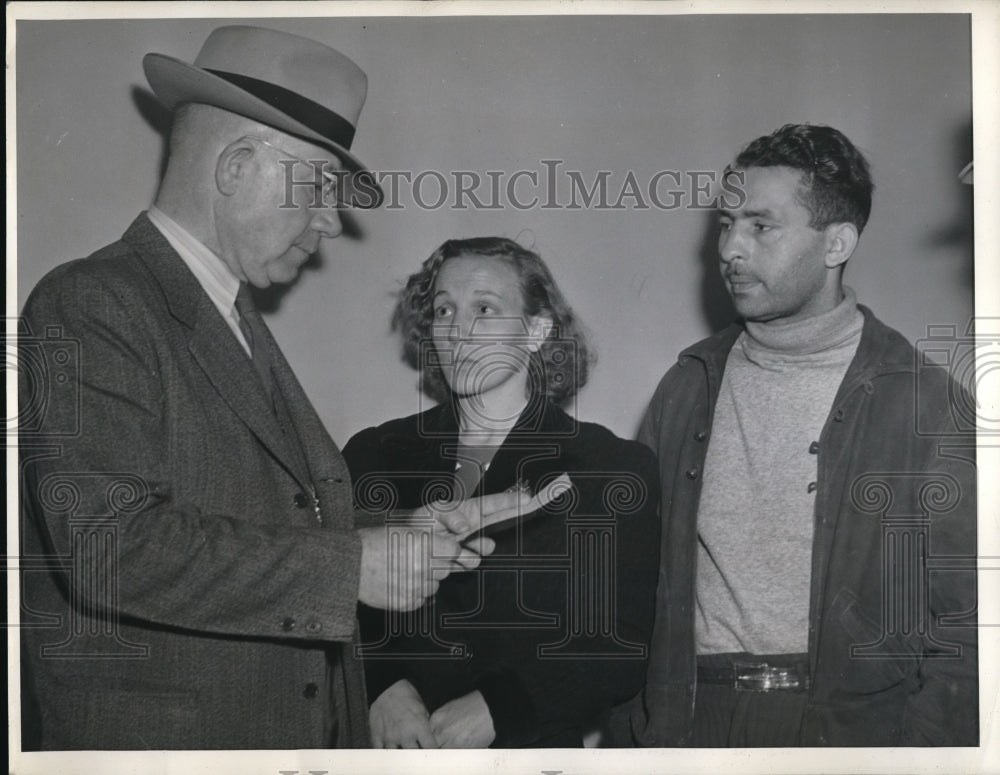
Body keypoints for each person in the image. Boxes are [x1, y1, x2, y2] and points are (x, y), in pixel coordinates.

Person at [18, 25, 524, 750]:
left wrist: (392, 541)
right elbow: (109, 543)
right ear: (236, 165)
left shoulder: (229, 314)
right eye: (319, 185)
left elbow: (245, 522)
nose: (332, 220)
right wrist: (354, 566)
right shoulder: (88, 302)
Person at [629, 124, 978, 747]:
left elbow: (969, 621)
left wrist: (921, 756)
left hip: (849, 735)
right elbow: (634, 586)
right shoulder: (687, 386)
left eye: (761, 226)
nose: (731, 248)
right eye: (725, 223)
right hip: (689, 725)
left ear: (836, 243)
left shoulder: (923, 402)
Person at [341, 237, 661, 748]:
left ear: (536, 331)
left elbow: (619, 644)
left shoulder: (608, 468)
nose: (458, 330)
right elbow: (329, 592)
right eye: (444, 309)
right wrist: (381, 688)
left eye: (484, 309)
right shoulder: (373, 455)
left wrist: (501, 708)